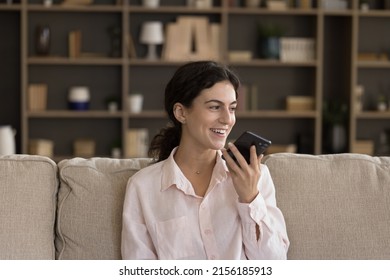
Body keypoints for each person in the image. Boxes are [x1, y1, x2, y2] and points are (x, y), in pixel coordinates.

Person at [121, 60, 289, 260]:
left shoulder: (256, 177)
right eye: (215, 107)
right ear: (181, 113)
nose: (228, 119)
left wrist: (250, 198)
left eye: (232, 108)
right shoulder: (143, 187)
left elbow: (274, 263)